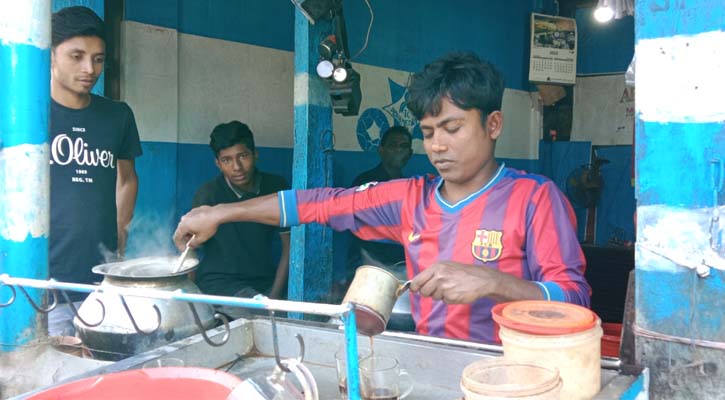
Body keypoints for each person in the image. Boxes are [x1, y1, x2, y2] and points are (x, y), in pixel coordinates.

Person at [174, 52, 590, 343]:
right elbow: (319, 203)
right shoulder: (411, 199)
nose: (438, 146)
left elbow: (575, 299)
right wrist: (220, 212)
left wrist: (494, 283)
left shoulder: (534, 198)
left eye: (453, 128)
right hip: (430, 362)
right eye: (428, 133)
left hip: (510, 374)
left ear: (493, 124)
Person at [48, 6, 142, 334]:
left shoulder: (118, 116)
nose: (90, 69)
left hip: (100, 280)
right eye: (77, 56)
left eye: (98, 59)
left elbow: (127, 179)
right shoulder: (23, 116)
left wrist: (120, 231)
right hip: (38, 283)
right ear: (51, 54)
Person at [190, 121, 290, 317]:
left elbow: (289, 247)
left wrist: (275, 298)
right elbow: (190, 253)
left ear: (255, 154)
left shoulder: (276, 187)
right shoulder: (208, 195)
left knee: (299, 316)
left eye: (243, 156)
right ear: (218, 164)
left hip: (264, 284)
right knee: (261, 318)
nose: (236, 167)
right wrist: (193, 305)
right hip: (219, 286)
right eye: (226, 160)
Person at [346, 126, 412, 274]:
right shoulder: (365, 183)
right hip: (367, 264)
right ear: (381, 150)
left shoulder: (410, 187)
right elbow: (356, 229)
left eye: (404, 146)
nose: (398, 150)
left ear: (410, 154)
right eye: (393, 145)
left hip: (400, 265)